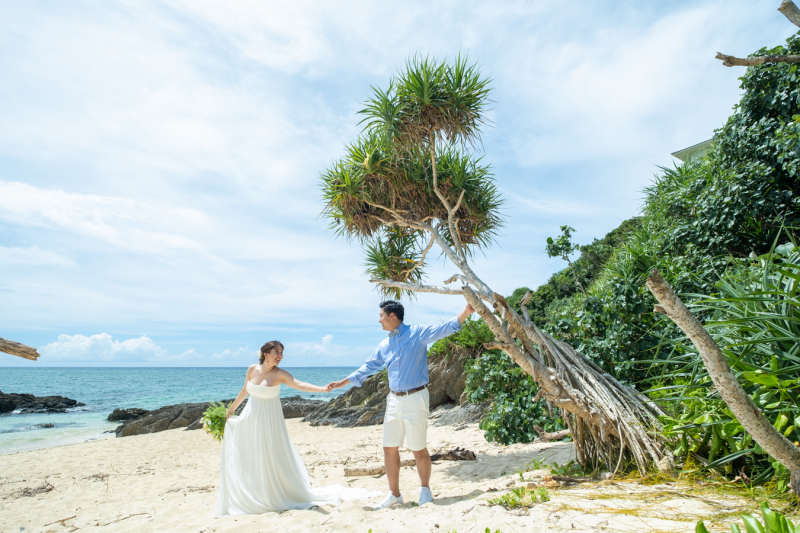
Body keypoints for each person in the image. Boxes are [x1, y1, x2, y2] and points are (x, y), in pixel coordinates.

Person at [326, 300, 474, 510]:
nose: (379, 320)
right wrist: (344, 382)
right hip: (393, 400)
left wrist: (467, 311)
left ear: (392, 316)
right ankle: (394, 494)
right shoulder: (385, 344)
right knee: (389, 448)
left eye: (381, 315)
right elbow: (369, 366)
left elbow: (444, 329)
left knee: (418, 448)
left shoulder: (417, 333)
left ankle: (425, 490)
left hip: (416, 397)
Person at [215, 340, 373, 516]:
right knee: (252, 452)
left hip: (270, 421)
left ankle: (273, 493)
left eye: (281, 353)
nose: (280, 356)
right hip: (251, 417)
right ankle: (255, 491)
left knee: (271, 454)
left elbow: (299, 384)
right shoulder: (252, 369)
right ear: (265, 353)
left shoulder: (280, 374)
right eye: (276, 352)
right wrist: (232, 409)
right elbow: (245, 390)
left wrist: (321, 389)